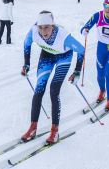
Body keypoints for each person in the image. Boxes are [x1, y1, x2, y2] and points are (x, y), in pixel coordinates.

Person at [20, 11, 84, 145]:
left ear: (52, 25)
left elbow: (81, 50)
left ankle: (55, 130)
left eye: (47, 27)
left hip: (64, 57)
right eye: (41, 27)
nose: (43, 31)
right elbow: (26, 45)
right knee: (39, 89)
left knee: (54, 90)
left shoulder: (63, 36)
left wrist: (77, 71)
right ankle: (32, 128)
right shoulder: (33, 31)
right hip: (47, 56)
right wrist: (26, 63)